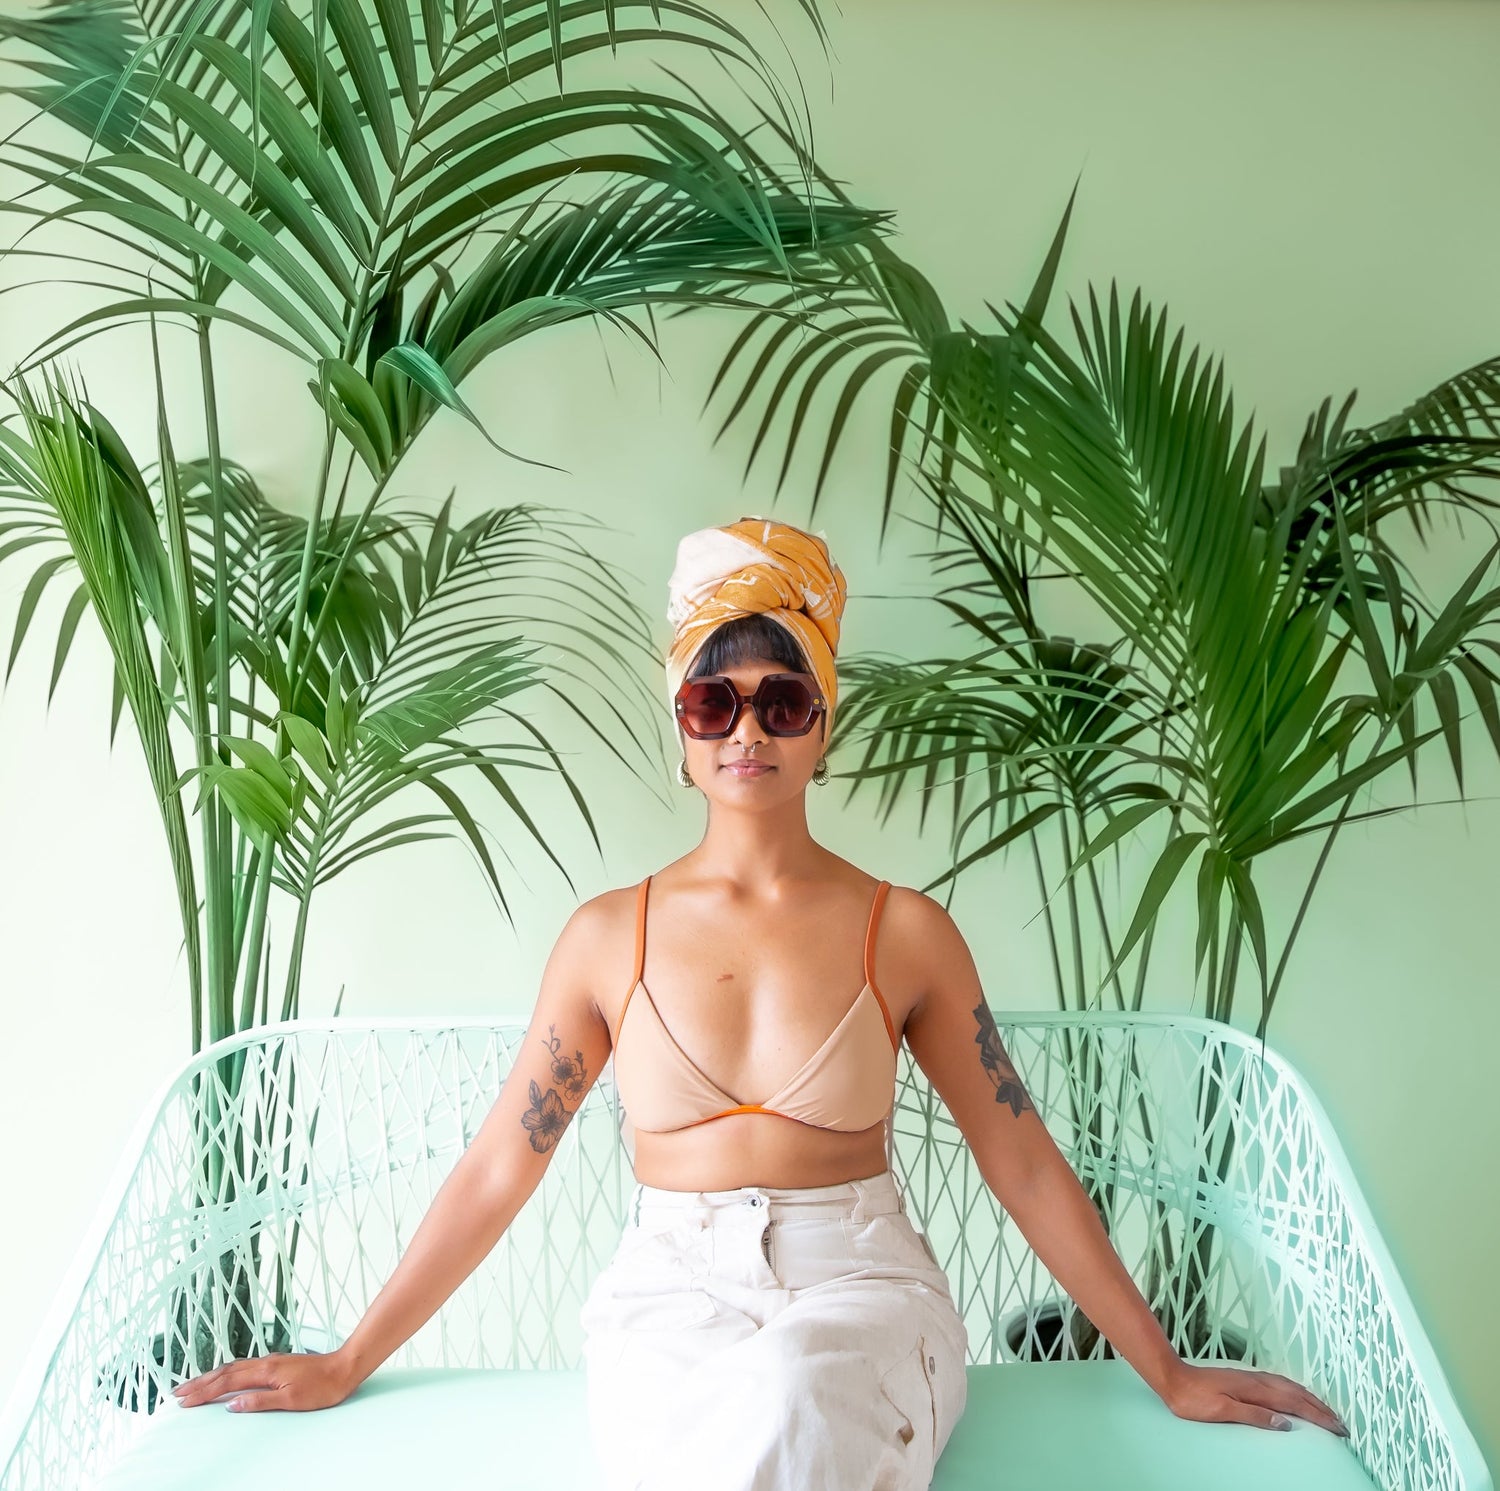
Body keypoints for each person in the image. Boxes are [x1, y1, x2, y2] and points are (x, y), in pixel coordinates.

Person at [171, 516, 1350, 1486]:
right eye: (711, 702)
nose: (747, 730)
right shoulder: (604, 940)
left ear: (825, 723)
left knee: (789, 1401)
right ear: (679, 727)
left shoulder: (908, 935)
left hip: (862, 1287)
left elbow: (1023, 1158)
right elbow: (500, 1166)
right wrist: (347, 1357)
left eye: (782, 700)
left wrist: (1166, 1368)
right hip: (665, 1299)